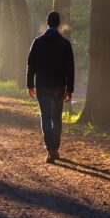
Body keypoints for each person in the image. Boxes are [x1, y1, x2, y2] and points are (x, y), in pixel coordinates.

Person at [26, 11, 74, 163]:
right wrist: (70, 89)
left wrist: (30, 84)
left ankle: (50, 149)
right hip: (59, 85)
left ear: (47, 23)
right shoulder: (65, 44)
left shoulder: (38, 42)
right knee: (56, 118)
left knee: (45, 117)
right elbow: (70, 68)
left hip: (42, 85)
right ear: (58, 24)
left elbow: (31, 64)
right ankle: (55, 148)